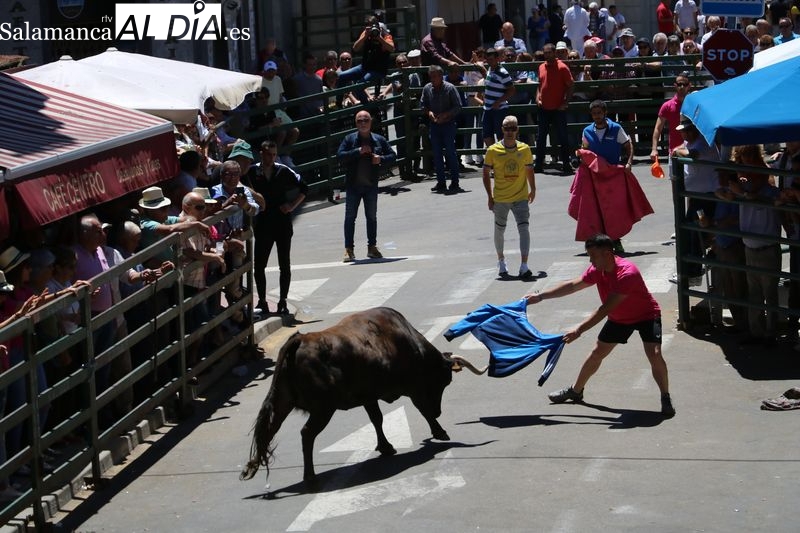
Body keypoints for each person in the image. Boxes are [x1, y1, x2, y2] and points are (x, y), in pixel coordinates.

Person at [525, 233, 675, 417]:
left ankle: (665, 396)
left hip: (646, 315)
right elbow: (573, 285)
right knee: (597, 353)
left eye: (593, 256)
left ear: (607, 253)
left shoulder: (627, 273)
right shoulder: (598, 268)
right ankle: (576, 391)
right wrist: (540, 296)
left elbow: (604, 309)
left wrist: (579, 330)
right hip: (620, 318)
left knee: (655, 354)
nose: (590, 260)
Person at [247, 140, 308, 315]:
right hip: (263, 224)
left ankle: (283, 301)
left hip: (282, 223)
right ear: (261, 154)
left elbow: (304, 188)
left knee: (284, 265)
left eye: (274, 155)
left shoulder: (283, 170)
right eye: (268, 154)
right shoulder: (251, 171)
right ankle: (262, 301)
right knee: (259, 266)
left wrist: (292, 206)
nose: (271, 158)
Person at [336, 110, 397, 262]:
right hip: (353, 186)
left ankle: (372, 247)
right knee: (350, 218)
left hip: (371, 185)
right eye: (359, 121)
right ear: (356, 123)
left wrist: (380, 159)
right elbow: (340, 156)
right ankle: (348, 249)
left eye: (366, 120)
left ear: (371, 122)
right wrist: (357, 151)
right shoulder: (349, 139)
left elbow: (393, 156)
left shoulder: (379, 139)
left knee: (371, 217)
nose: (363, 123)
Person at [482, 115, 537, 279]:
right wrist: (489, 196)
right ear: (502, 130)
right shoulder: (493, 150)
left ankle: (524, 265)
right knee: (499, 229)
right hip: (501, 198)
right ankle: (501, 260)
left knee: (524, 228)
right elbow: (485, 173)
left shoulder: (525, 149)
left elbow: (529, 169)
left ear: (517, 130)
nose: (510, 132)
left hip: (520, 196)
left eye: (513, 128)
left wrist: (533, 188)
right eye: (507, 129)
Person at [420, 65, 464, 195]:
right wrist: (429, 113)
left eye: (435, 76)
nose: (432, 79)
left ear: (441, 76)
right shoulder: (427, 88)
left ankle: (455, 181)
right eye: (431, 77)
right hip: (434, 125)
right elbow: (423, 105)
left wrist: (446, 115)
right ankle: (441, 182)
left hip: (448, 124)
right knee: (437, 154)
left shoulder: (450, 88)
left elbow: (458, 106)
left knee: (450, 153)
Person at [534, 43, 574, 175]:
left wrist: (565, 102)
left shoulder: (562, 67)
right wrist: (538, 97)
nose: (547, 55)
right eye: (545, 53)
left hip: (558, 108)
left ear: (554, 53)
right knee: (541, 137)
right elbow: (539, 84)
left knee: (563, 137)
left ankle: (566, 163)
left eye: (549, 53)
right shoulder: (541, 67)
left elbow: (570, 85)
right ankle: (539, 164)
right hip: (543, 107)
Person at [336, 14, 395, 103]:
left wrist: (379, 38)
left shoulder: (384, 35)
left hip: (378, 70)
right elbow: (355, 48)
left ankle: (368, 106)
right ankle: (339, 103)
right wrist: (364, 37)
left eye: (373, 25)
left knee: (359, 85)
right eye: (368, 26)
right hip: (365, 67)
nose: (371, 28)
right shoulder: (366, 33)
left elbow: (392, 48)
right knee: (341, 76)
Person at [650, 71, 692, 172]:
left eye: (685, 84)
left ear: (689, 86)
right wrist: (654, 149)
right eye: (679, 84)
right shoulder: (667, 106)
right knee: (675, 180)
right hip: (674, 152)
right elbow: (658, 128)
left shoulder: (694, 104)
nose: (682, 87)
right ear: (675, 85)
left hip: (691, 151)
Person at [481, 48, 516, 149]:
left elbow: (512, 90)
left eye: (491, 59)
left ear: (497, 59)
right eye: (487, 59)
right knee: (486, 134)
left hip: (499, 109)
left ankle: (502, 155)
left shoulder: (502, 72)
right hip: (487, 108)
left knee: (501, 135)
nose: (489, 61)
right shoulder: (490, 69)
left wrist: (499, 101)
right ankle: (494, 154)